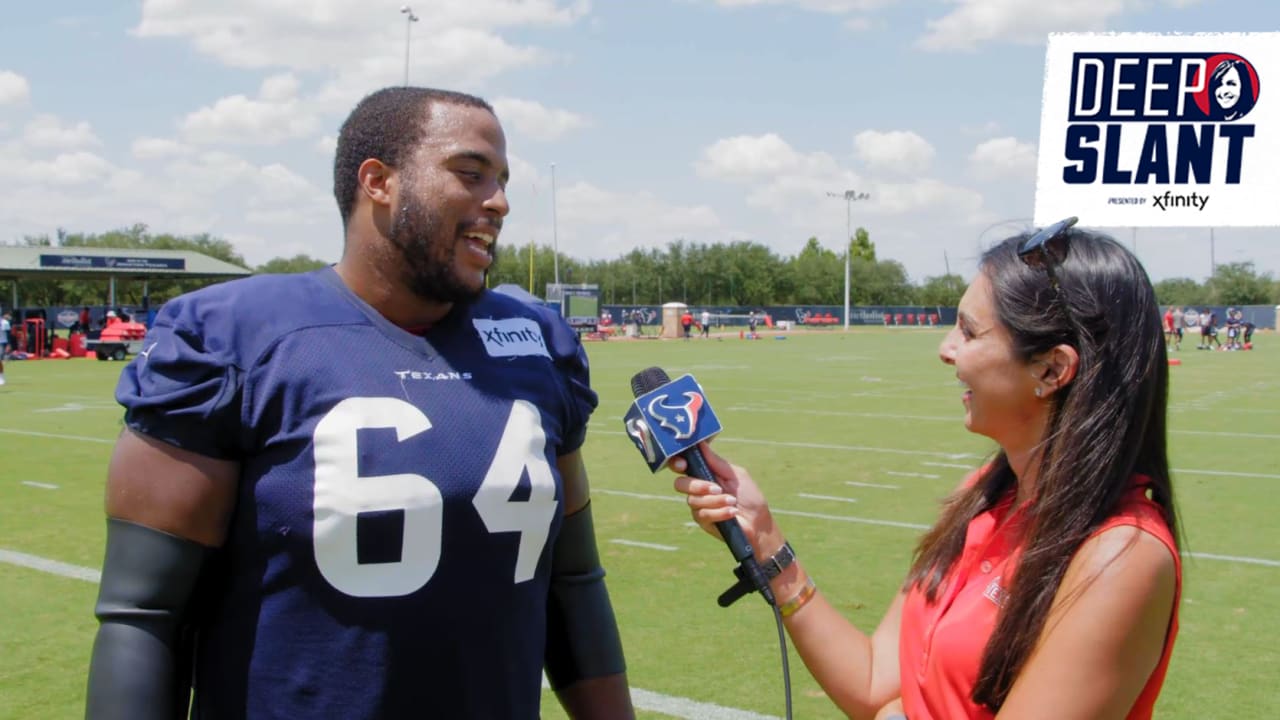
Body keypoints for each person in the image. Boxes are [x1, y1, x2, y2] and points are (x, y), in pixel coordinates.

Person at [86, 86, 633, 720]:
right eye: (470, 173)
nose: (500, 202)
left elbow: (572, 586)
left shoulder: (536, 344)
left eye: (503, 180)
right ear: (378, 181)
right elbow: (145, 614)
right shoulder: (234, 340)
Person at [673, 219, 1180, 719]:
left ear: (1051, 369)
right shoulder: (985, 493)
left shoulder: (1119, 556)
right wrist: (764, 541)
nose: (945, 349)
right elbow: (874, 683)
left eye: (969, 330)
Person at [0, 311, 9, 385]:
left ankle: (1, 377)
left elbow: (8, 334)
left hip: (1, 342)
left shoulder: (4, 322)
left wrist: (9, 345)